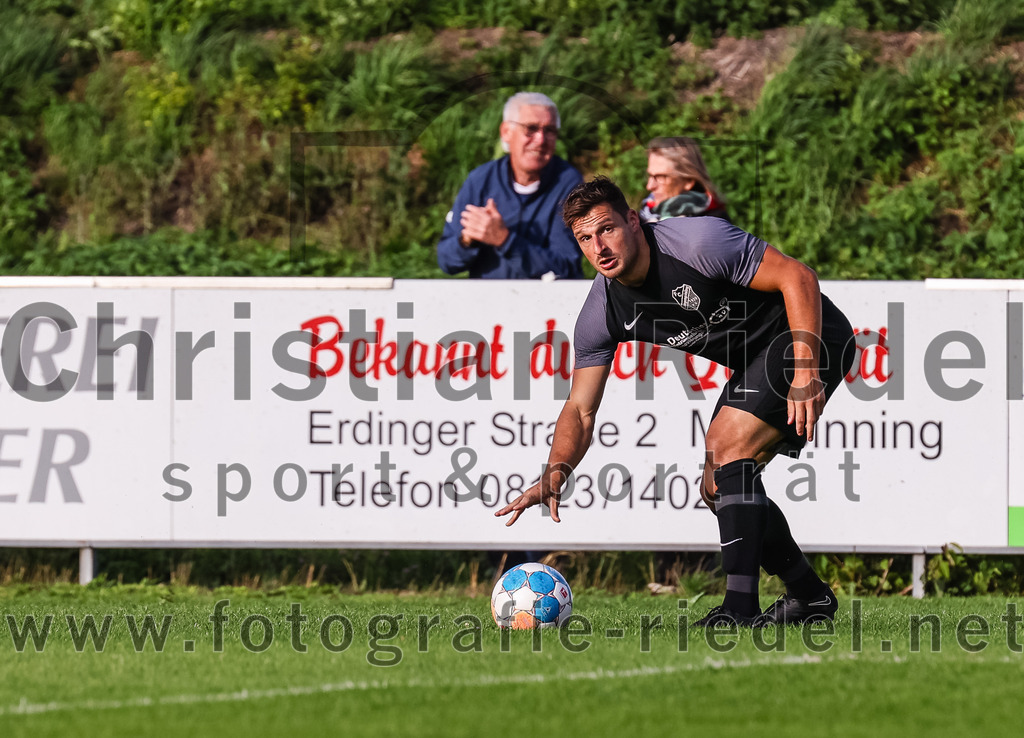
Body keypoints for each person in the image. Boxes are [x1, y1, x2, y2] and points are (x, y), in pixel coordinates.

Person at [495, 176, 856, 627]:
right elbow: (580, 410)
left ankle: (739, 608)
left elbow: (798, 276)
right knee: (718, 487)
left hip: (811, 336)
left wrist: (805, 371)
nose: (599, 247)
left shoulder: (696, 241)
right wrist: (556, 471)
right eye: (585, 238)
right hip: (757, 360)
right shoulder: (603, 310)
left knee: (727, 447)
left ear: (633, 220)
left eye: (607, 229)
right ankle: (809, 595)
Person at [437, 92, 584, 280]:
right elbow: (446, 261)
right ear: (506, 132)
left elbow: (565, 266)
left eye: (549, 131)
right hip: (489, 303)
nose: (540, 139)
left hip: (547, 304)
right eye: (530, 129)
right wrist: (467, 241)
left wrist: (505, 240)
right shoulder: (480, 180)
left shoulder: (568, 183)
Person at [639, 137, 726, 223]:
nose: (649, 186)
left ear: (688, 181)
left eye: (661, 177)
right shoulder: (643, 217)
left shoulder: (713, 224)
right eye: (650, 175)